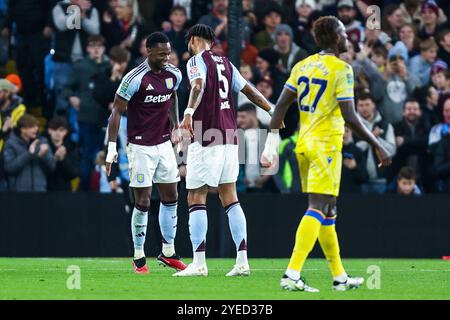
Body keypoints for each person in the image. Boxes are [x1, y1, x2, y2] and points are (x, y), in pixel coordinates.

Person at [261, 16, 391, 292]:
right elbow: (351, 116)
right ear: (334, 37)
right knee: (317, 207)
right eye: (343, 33)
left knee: (328, 209)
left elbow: (281, 105)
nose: (347, 38)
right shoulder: (342, 69)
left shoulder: (302, 65)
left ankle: (339, 277)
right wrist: (376, 144)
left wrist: (271, 142)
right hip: (326, 147)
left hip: (304, 144)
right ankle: (292, 274)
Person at [174, 24, 276, 277]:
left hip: (207, 134)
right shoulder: (227, 63)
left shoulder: (197, 60)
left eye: (189, 41)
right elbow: (249, 90)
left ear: (195, 39)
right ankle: (242, 261)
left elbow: (197, 85)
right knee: (229, 196)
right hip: (230, 135)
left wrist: (187, 113)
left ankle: (199, 264)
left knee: (196, 197)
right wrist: (273, 110)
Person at [105, 32, 187, 274]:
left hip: (163, 144)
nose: (166, 57)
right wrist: (112, 148)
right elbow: (116, 112)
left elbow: (171, 98)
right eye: (161, 54)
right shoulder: (134, 78)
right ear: (148, 51)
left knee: (171, 195)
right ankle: (139, 256)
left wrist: (175, 124)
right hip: (139, 146)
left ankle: (168, 252)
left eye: (168, 53)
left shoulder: (175, 74)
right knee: (142, 200)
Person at [63, 35, 110, 191]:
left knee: (105, 153)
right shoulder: (80, 66)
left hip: (105, 117)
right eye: (93, 45)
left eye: (99, 46)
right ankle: (84, 189)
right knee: (87, 154)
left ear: (104, 48)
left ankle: (104, 187)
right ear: (87, 48)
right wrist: (72, 98)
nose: (96, 49)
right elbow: (67, 87)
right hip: (86, 116)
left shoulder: (109, 66)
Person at [355, 92, 396, 194]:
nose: (364, 108)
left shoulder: (385, 125)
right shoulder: (353, 125)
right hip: (358, 180)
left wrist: (377, 139)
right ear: (356, 107)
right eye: (361, 105)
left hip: (381, 180)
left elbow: (391, 150)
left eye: (367, 104)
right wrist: (372, 137)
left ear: (373, 105)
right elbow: (353, 150)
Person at [3, 114, 56, 192]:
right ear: (22, 129)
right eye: (32, 127)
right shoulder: (11, 143)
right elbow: (9, 168)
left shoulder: (43, 142)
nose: (36, 129)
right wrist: (28, 154)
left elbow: (52, 167)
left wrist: (42, 156)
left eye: (36, 126)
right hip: (18, 193)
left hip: (39, 191)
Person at [46, 117, 80, 192]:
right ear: (49, 130)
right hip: (46, 190)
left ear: (66, 132)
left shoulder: (71, 148)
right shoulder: (43, 146)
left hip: (64, 191)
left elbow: (74, 173)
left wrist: (63, 159)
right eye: (54, 129)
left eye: (61, 130)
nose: (57, 133)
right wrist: (54, 158)